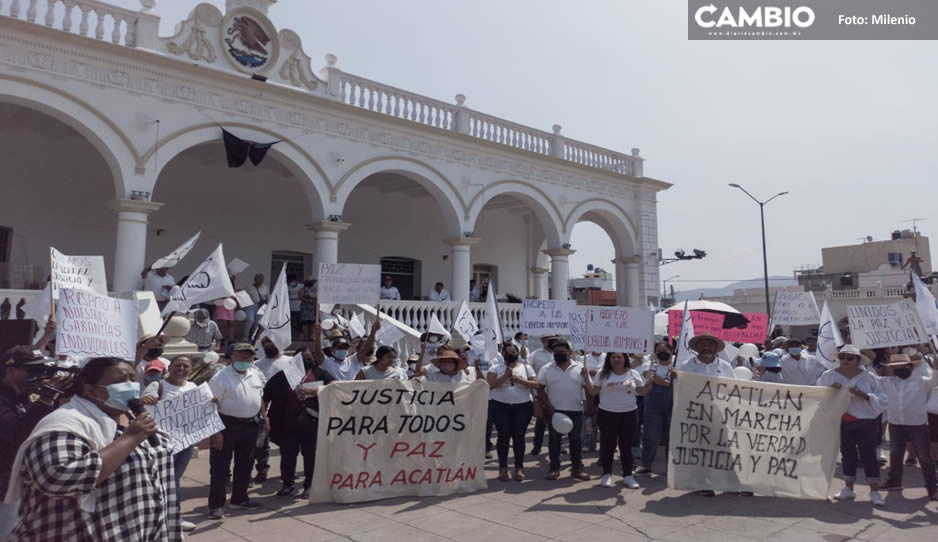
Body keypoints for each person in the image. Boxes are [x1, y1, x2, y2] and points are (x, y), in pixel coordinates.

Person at [7, 356, 180, 541]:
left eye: (132, 378)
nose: (130, 385)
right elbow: (56, 478)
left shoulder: (133, 418)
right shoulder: (64, 424)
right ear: (90, 389)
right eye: (120, 380)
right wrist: (129, 439)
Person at [818, 344, 888, 506]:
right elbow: (819, 395)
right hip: (841, 421)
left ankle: (875, 491)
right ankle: (848, 488)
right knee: (847, 454)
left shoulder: (869, 377)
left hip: (865, 422)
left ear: (857, 360)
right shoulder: (828, 375)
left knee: (869, 456)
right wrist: (830, 391)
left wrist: (864, 395)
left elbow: (883, 399)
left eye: (850, 358)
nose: (845, 360)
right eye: (842, 357)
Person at [206, 343, 268, 520]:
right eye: (240, 356)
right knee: (220, 468)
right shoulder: (220, 378)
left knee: (245, 464)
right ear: (231, 356)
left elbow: (260, 397)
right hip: (225, 426)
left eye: (248, 356)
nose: (244, 359)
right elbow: (210, 407)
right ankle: (216, 506)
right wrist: (214, 432)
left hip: (251, 425)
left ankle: (239, 499)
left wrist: (264, 418)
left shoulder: (255, 374)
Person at [0, 347, 55, 540]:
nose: (39, 375)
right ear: (10, 370)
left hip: (21, 483)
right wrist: (45, 400)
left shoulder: (27, 396)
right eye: (32, 370)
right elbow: (15, 434)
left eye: (41, 369)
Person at [140, 355, 199, 532]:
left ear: (190, 370)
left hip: (186, 442)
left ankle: (170, 517)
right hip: (162, 444)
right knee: (168, 481)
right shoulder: (157, 386)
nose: (181, 368)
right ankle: (170, 519)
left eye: (185, 366)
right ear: (169, 368)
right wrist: (144, 400)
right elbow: (140, 406)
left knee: (173, 481)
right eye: (177, 365)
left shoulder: (193, 386)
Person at [675, 333, 737, 496]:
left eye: (710, 344)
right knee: (700, 450)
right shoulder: (686, 366)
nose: (706, 347)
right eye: (702, 344)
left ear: (716, 348)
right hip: (695, 414)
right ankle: (702, 483)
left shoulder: (724, 366)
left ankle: (733, 483)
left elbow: (733, 389)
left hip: (719, 415)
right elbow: (679, 388)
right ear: (697, 348)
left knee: (724, 449)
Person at [879, 354, 938, 500]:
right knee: (895, 454)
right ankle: (894, 482)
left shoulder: (922, 382)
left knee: (924, 457)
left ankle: (932, 488)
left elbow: (935, 378)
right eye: (895, 367)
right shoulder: (887, 382)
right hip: (895, 424)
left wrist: (936, 365)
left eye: (903, 365)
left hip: (917, 424)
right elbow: (867, 377)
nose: (899, 368)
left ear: (910, 366)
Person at [537, 340, 594, 481]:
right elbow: (540, 389)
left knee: (576, 440)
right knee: (555, 440)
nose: (560, 354)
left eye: (563, 351)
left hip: (575, 410)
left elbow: (588, 388)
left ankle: (577, 469)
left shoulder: (580, 368)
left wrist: (590, 406)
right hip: (555, 411)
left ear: (569, 352)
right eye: (556, 352)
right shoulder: (546, 368)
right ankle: (554, 468)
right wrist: (548, 407)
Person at [588, 352, 643, 489]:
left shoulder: (633, 373)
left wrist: (651, 380)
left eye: (619, 357)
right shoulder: (602, 373)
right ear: (609, 359)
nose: (616, 359)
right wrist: (585, 378)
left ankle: (628, 475)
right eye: (613, 357)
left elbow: (643, 392)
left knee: (626, 446)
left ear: (625, 359)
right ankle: (606, 474)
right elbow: (593, 392)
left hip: (629, 413)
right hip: (607, 413)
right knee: (608, 446)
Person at [487, 343, 536, 481]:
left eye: (513, 351)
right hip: (500, 406)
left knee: (519, 437)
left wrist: (520, 380)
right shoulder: (495, 368)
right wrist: (504, 377)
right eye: (507, 351)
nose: (511, 353)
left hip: (522, 406)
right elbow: (491, 385)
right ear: (502, 353)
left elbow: (536, 384)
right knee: (503, 437)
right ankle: (503, 468)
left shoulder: (526, 367)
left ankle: (519, 467)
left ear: (517, 353)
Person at [296, 349, 336, 499]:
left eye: (309, 356)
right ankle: (308, 484)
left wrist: (315, 391)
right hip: (302, 420)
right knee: (308, 454)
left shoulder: (321, 373)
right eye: (303, 357)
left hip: (322, 419)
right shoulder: (291, 375)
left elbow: (334, 386)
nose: (307, 359)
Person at [253, 338, 293, 485]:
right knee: (261, 443)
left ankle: (288, 470)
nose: (269, 346)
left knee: (286, 443)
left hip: (283, 410)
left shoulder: (291, 361)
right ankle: (262, 468)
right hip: (261, 409)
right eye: (266, 344)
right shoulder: (256, 365)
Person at [637, 342, 675, 475]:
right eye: (659, 351)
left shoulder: (678, 366)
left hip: (673, 404)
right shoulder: (650, 364)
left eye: (665, 350)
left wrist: (659, 381)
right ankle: (646, 464)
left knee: (671, 437)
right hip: (652, 405)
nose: (662, 353)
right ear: (655, 353)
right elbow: (648, 377)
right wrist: (668, 383)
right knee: (650, 436)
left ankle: (671, 468)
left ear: (672, 351)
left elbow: (662, 381)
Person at [529, 335, 558, 456]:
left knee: (557, 420)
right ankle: (537, 445)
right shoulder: (535, 354)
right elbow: (528, 369)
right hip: (541, 391)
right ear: (542, 341)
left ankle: (558, 446)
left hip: (557, 392)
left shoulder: (560, 353)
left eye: (554, 340)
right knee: (541, 420)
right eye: (548, 340)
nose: (551, 342)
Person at [244, 274, 269, 340]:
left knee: (257, 322)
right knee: (250, 320)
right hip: (251, 305)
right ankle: (245, 336)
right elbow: (244, 296)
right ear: (255, 280)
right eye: (259, 279)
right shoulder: (249, 287)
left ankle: (253, 336)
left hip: (261, 306)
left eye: (262, 279)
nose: (260, 280)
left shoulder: (265, 288)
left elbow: (268, 298)